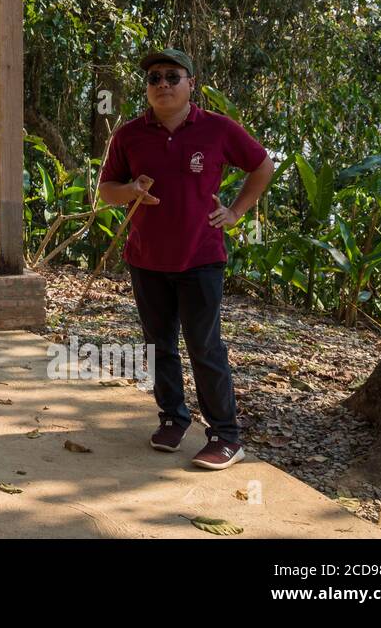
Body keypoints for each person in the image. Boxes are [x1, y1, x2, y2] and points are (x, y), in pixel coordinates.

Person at [97, 48, 275, 470]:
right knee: (158, 346)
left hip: (201, 258)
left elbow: (262, 165)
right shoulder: (129, 135)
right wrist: (131, 190)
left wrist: (235, 212)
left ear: (190, 83)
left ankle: (226, 436)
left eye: (172, 77)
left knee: (204, 346)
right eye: (154, 78)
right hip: (146, 259)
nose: (162, 85)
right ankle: (173, 419)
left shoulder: (217, 129)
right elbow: (107, 190)